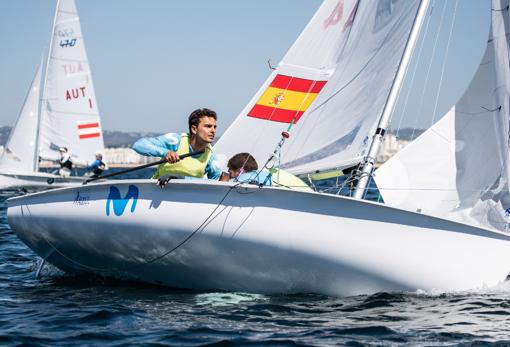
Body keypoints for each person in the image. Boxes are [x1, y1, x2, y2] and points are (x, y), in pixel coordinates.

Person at [132, 108, 222, 180]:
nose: (213, 130)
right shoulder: (175, 140)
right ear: (194, 129)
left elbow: (214, 186)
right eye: (208, 126)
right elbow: (138, 145)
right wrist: (166, 153)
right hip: (157, 193)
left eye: (214, 127)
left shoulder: (212, 157)